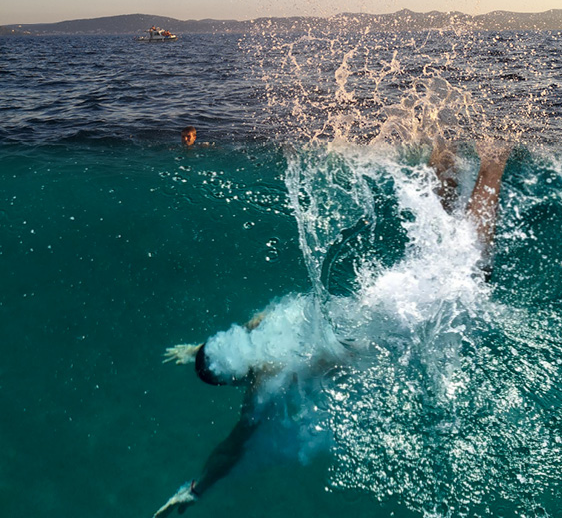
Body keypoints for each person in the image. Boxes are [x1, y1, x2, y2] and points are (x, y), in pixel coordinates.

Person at [151, 142, 510, 517]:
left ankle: (496, 151)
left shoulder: (265, 385)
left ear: (236, 380)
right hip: (380, 295)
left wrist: (196, 488)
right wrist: (198, 349)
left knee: (467, 269)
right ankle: (447, 139)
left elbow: (233, 447)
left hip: (400, 328)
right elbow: (240, 334)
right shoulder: (264, 325)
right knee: (431, 238)